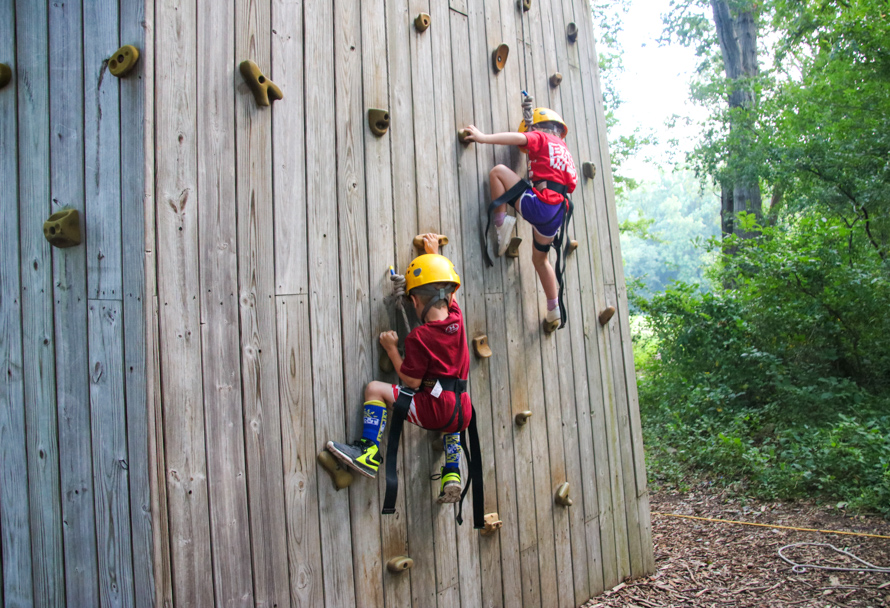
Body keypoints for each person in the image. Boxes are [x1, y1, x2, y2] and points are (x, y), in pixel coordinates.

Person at [326, 234, 472, 504]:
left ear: (414, 302)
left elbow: (412, 381)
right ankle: (452, 469)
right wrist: (433, 254)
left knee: (375, 389)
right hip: (462, 411)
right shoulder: (457, 318)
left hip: (435, 411)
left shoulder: (421, 337)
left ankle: (368, 452)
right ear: (449, 295)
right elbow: (449, 294)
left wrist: (392, 349)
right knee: (451, 415)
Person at [463, 106, 577, 333]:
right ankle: (554, 307)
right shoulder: (563, 149)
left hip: (541, 206)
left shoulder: (540, 137)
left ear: (536, 127)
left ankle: (501, 226)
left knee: (497, 172)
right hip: (557, 215)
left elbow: (517, 138)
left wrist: (483, 138)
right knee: (540, 259)